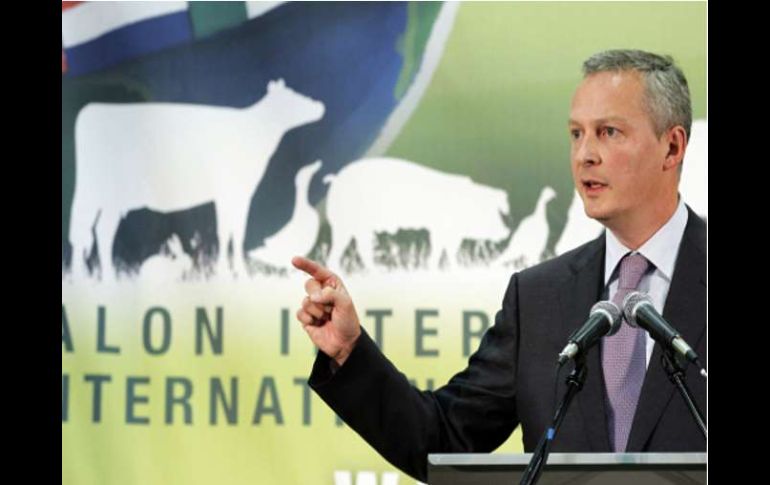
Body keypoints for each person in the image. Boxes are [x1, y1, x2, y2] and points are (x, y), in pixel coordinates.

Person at [292, 49, 706, 482]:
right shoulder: (540, 298)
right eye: (576, 134)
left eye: (608, 132)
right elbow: (444, 439)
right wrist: (348, 351)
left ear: (672, 146)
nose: (585, 154)